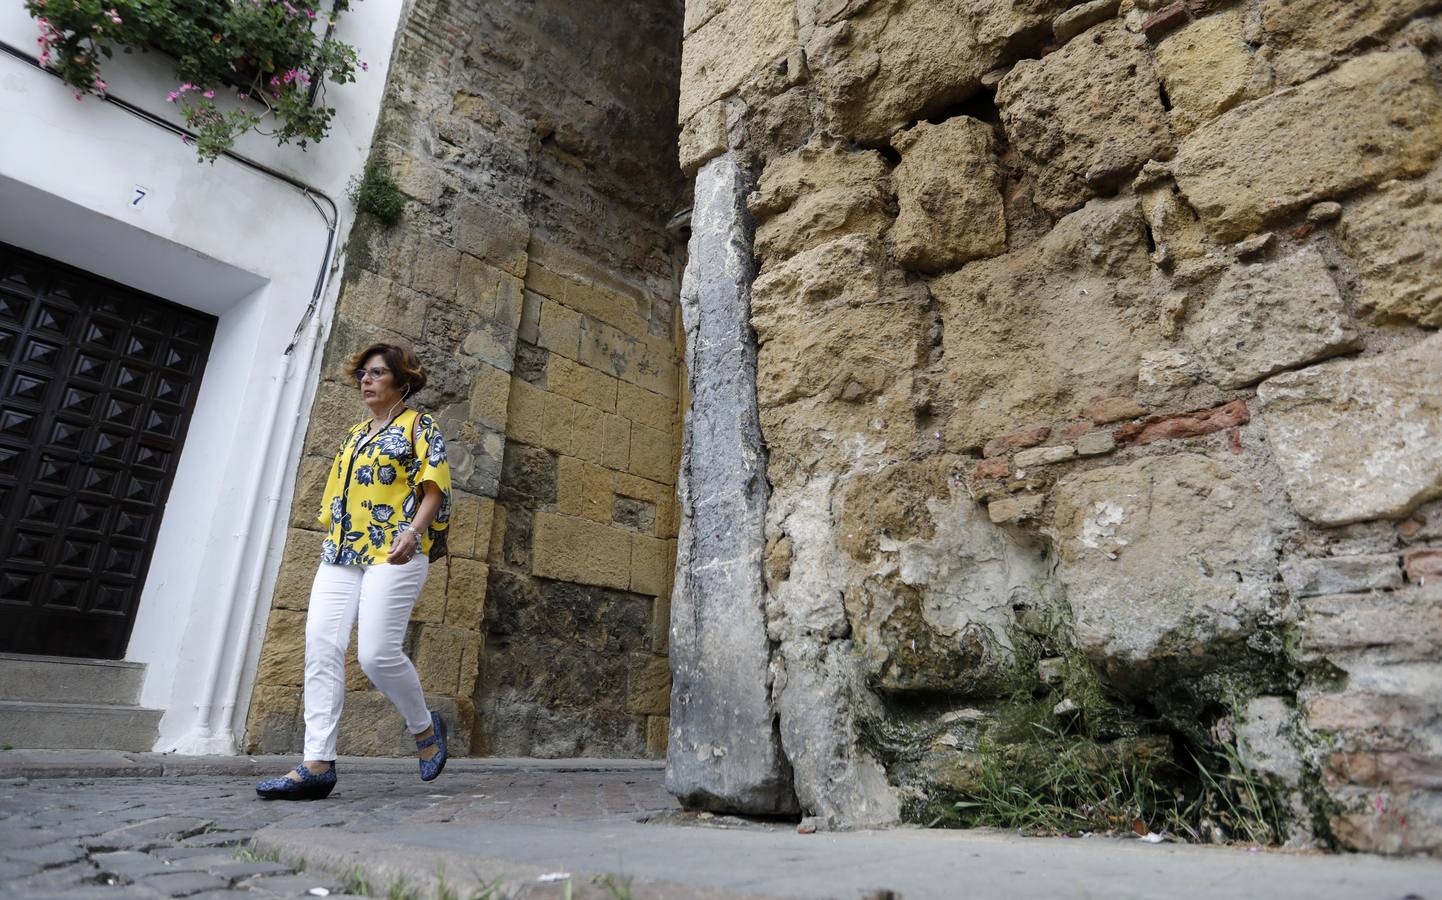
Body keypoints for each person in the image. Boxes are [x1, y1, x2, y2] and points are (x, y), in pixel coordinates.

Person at [256, 342, 453, 800]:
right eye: (363, 373)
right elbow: (336, 498)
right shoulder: (353, 434)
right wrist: (332, 538)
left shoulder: (419, 426)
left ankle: (425, 729)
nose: (366, 380)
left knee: (376, 654)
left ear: (402, 381)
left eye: (377, 373)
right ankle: (317, 763)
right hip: (342, 553)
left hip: (396, 550)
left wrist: (413, 531)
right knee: (321, 647)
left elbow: (434, 486)